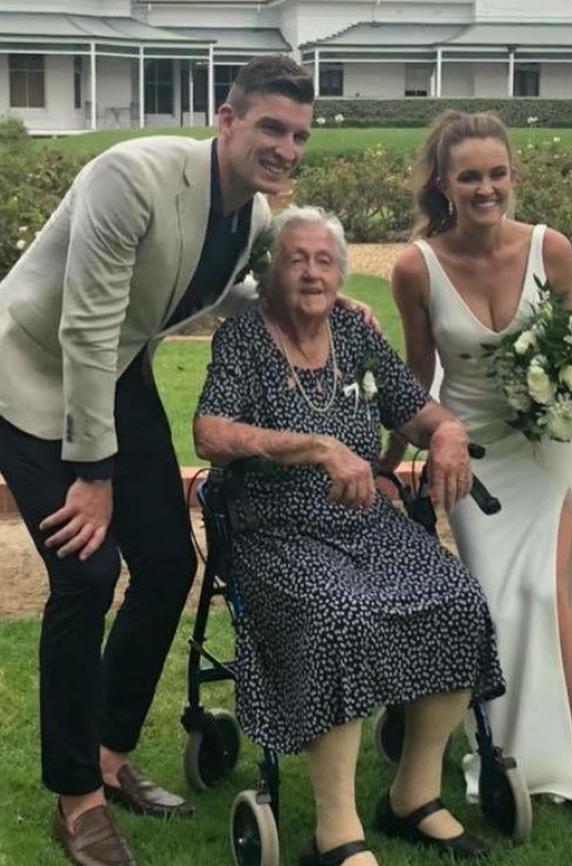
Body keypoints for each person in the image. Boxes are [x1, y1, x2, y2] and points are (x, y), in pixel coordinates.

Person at [0, 55, 378, 866]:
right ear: (227, 118)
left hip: (114, 373)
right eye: (270, 126)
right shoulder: (130, 177)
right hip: (30, 375)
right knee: (86, 575)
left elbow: (203, 288)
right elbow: (86, 327)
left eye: (299, 134)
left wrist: (299, 296)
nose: (284, 147)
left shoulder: (245, 217)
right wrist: (94, 479)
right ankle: (76, 797)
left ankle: (108, 753)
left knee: (169, 565)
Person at [193, 205, 506, 866]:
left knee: (456, 599)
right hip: (274, 529)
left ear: (341, 270)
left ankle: (412, 797)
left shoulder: (355, 334)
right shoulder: (243, 339)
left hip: (365, 520)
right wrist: (309, 446)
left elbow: (414, 407)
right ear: (273, 271)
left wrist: (447, 432)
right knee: (337, 615)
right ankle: (335, 830)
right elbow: (210, 433)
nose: (311, 271)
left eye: (324, 259)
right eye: (296, 258)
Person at [383, 109, 572, 832]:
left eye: (497, 173)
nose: (486, 188)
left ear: (513, 175)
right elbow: (415, 373)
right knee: (498, 607)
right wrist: (386, 462)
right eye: (470, 176)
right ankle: (514, 752)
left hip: (553, 452)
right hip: (471, 463)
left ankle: (569, 743)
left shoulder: (551, 249)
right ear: (443, 183)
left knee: (546, 592)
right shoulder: (416, 267)